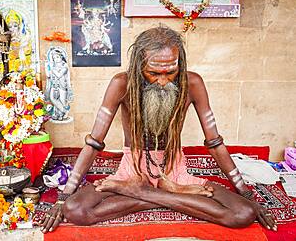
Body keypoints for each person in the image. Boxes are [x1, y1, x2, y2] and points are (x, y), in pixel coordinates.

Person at [39, 26, 277, 233]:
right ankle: (169, 195)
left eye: (170, 72)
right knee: (75, 210)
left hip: (175, 171)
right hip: (131, 171)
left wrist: (245, 194)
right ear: (138, 66)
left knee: (243, 214)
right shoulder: (121, 84)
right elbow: (93, 143)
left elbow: (214, 143)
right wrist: (64, 196)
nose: (163, 81)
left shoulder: (192, 83)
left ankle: (143, 192)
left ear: (179, 64)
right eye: (153, 73)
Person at [45, 47, 73, 122]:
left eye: (57, 57)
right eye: (54, 58)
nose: (55, 59)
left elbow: (59, 74)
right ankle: (64, 111)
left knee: (62, 101)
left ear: (61, 57)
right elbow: (48, 75)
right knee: (53, 98)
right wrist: (46, 67)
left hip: (62, 85)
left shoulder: (64, 66)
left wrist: (51, 68)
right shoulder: (53, 66)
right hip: (54, 85)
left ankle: (61, 114)